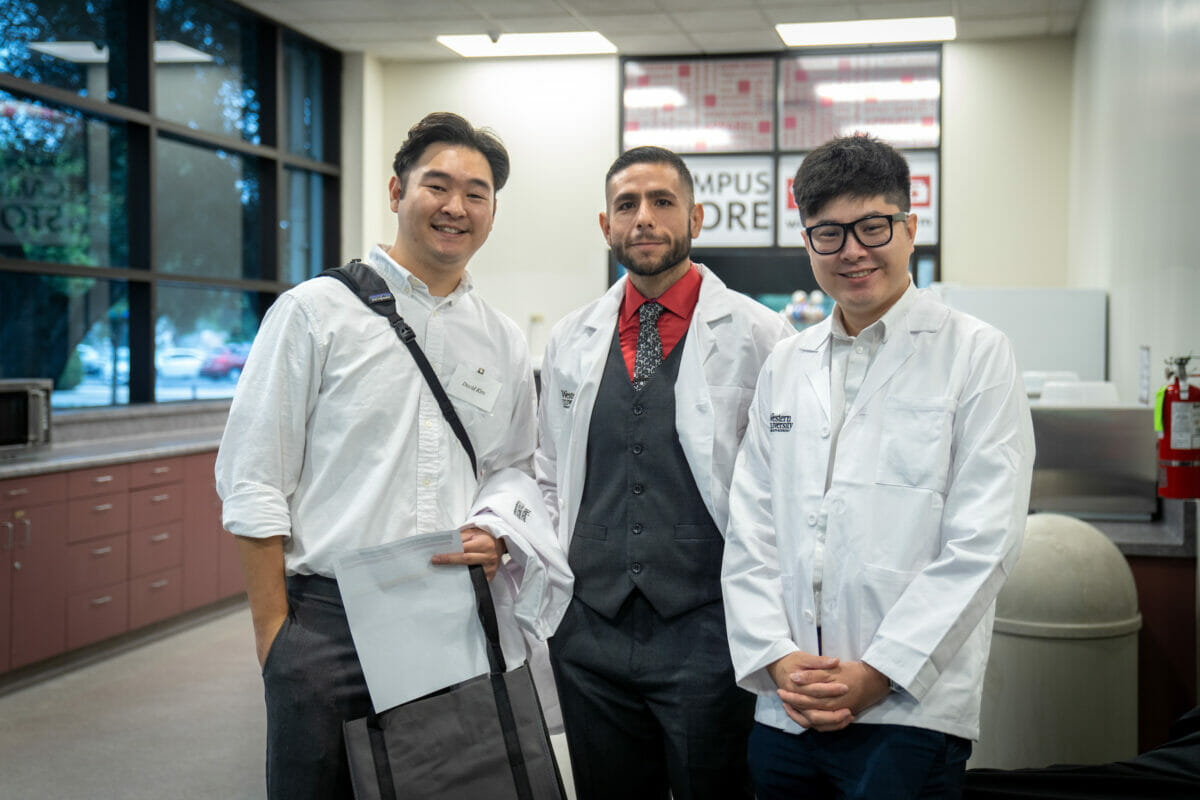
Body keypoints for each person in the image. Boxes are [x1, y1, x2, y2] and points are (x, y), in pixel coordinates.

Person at [215, 111, 571, 800]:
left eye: (476, 192)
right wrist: (276, 639)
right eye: (436, 185)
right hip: (326, 620)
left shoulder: (499, 338)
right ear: (395, 191)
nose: (455, 206)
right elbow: (253, 479)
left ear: (493, 211)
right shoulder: (314, 312)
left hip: (448, 617)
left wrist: (498, 531)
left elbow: (512, 468)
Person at [720, 134, 1036, 800]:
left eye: (872, 227)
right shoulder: (787, 364)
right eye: (827, 234)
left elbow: (984, 541)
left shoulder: (976, 354)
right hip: (786, 708)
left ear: (910, 226)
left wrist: (880, 671)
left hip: (907, 711)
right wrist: (775, 658)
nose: (852, 251)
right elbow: (751, 527)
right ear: (807, 243)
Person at [534, 145, 794, 799]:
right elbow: (547, 468)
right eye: (627, 205)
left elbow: (786, 488)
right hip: (589, 631)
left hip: (708, 631)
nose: (643, 218)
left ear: (696, 217)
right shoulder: (571, 338)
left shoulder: (763, 336)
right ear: (606, 226)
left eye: (661, 202)